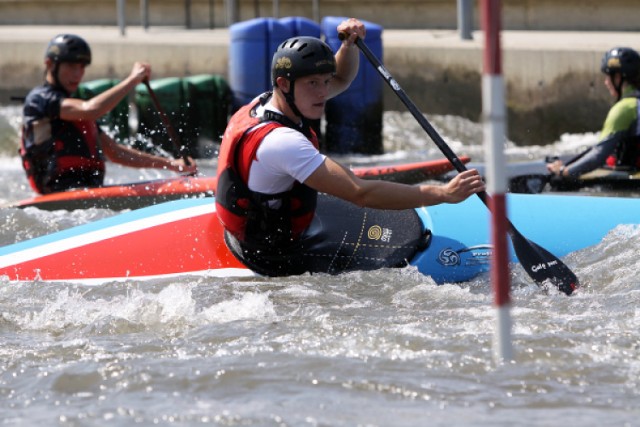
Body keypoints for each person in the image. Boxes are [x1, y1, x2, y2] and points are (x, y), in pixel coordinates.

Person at [216, 18, 485, 276]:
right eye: (313, 83)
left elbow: (342, 79)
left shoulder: (265, 102)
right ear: (284, 84)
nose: (324, 92)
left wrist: (348, 46)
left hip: (248, 228)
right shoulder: (282, 142)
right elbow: (361, 193)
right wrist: (443, 193)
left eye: (324, 81)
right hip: (273, 252)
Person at [20, 34, 197, 195]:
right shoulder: (39, 100)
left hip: (88, 191)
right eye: (71, 66)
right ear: (50, 64)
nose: (78, 74)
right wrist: (132, 80)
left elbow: (115, 153)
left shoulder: (75, 111)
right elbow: (92, 109)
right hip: (57, 193)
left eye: (82, 67)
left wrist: (171, 165)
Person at [547, 47, 640, 181]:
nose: (606, 82)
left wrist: (564, 172)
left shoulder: (625, 108)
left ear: (618, 78)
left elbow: (598, 155)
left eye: (608, 77)